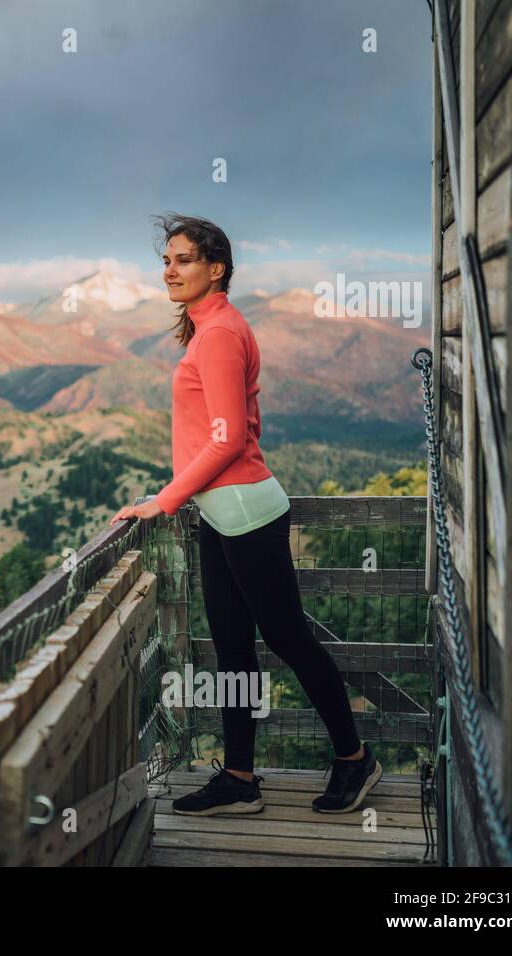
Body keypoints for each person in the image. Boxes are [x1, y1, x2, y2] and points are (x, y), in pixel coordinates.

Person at [109, 213, 382, 816]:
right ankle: (238, 779)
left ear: (216, 268)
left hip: (245, 510)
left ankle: (354, 760)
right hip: (220, 511)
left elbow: (228, 440)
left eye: (183, 260)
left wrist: (164, 500)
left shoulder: (221, 334)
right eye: (166, 260)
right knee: (232, 649)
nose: (170, 270)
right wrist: (179, 492)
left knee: (289, 639)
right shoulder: (210, 329)